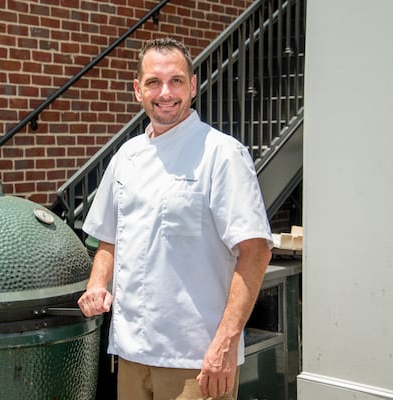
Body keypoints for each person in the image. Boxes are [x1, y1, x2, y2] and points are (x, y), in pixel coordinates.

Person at [77, 37, 273, 400]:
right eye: (153, 82)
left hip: (197, 361)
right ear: (138, 90)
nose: (165, 93)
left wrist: (225, 345)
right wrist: (96, 284)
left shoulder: (222, 154)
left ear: (193, 85)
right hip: (131, 353)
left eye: (176, 81)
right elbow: (109, 237)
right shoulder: (127, 155)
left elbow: (256, 251)